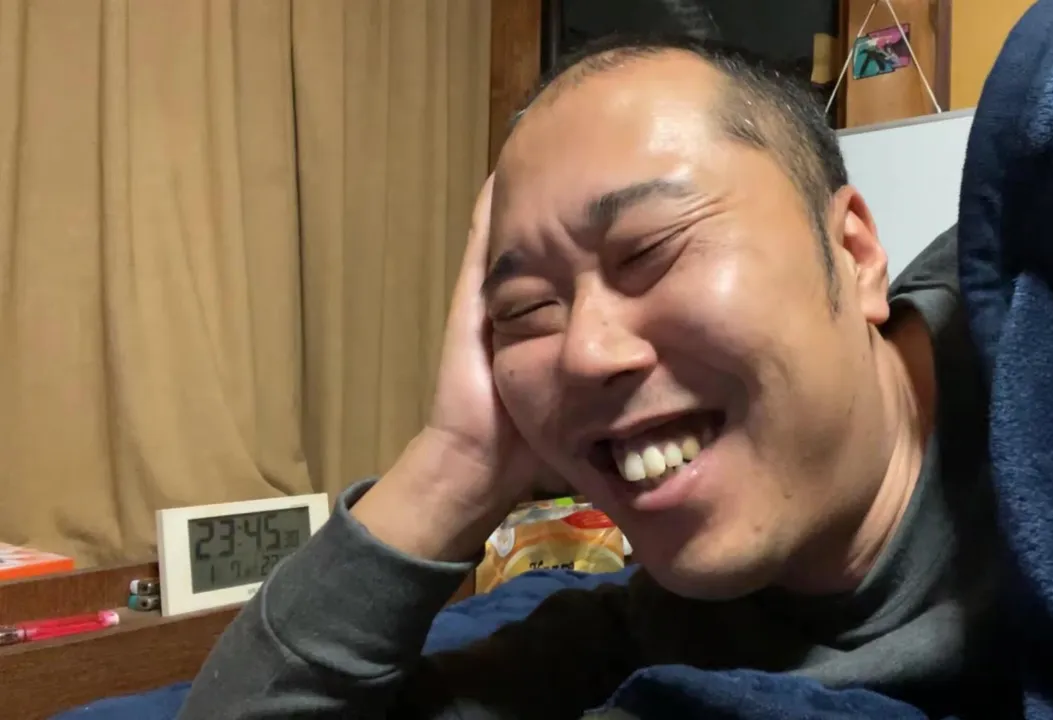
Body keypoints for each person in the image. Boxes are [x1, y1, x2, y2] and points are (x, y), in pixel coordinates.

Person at [179, 34, 1004, 719]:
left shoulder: (1049, 330)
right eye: (526, 309)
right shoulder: (652, 646)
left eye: (648, 250)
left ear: (854, 254)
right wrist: (456, 462)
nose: (584, 353)